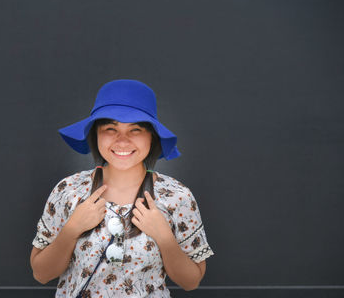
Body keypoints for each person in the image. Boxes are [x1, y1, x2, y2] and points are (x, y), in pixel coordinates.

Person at [30, 79, 214, 297]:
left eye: (136, 129)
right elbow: (41, 274)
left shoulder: (177, 197)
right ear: (96, 134)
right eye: (110, 128)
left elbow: (191, 282)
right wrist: (72, 229)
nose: (123, 141)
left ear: (152, 137)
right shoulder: (68, 190)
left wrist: (164, 237)